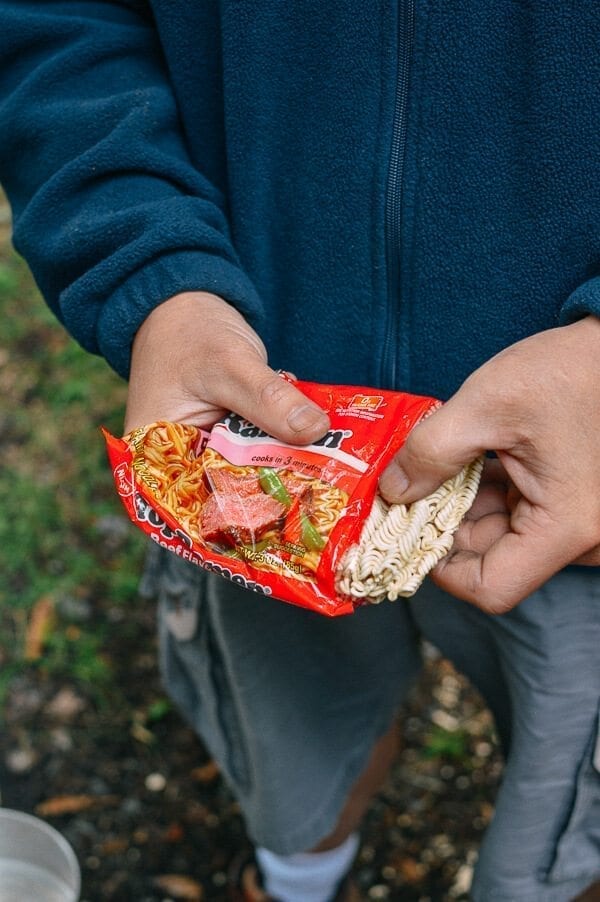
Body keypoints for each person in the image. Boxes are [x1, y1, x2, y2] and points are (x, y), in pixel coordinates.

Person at [1, 3, 599, 900]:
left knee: (568, 810)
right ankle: (299, 878)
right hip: (260, 436)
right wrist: (155, 275)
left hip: (574, 466)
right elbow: (60, 26)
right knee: (292, 758)